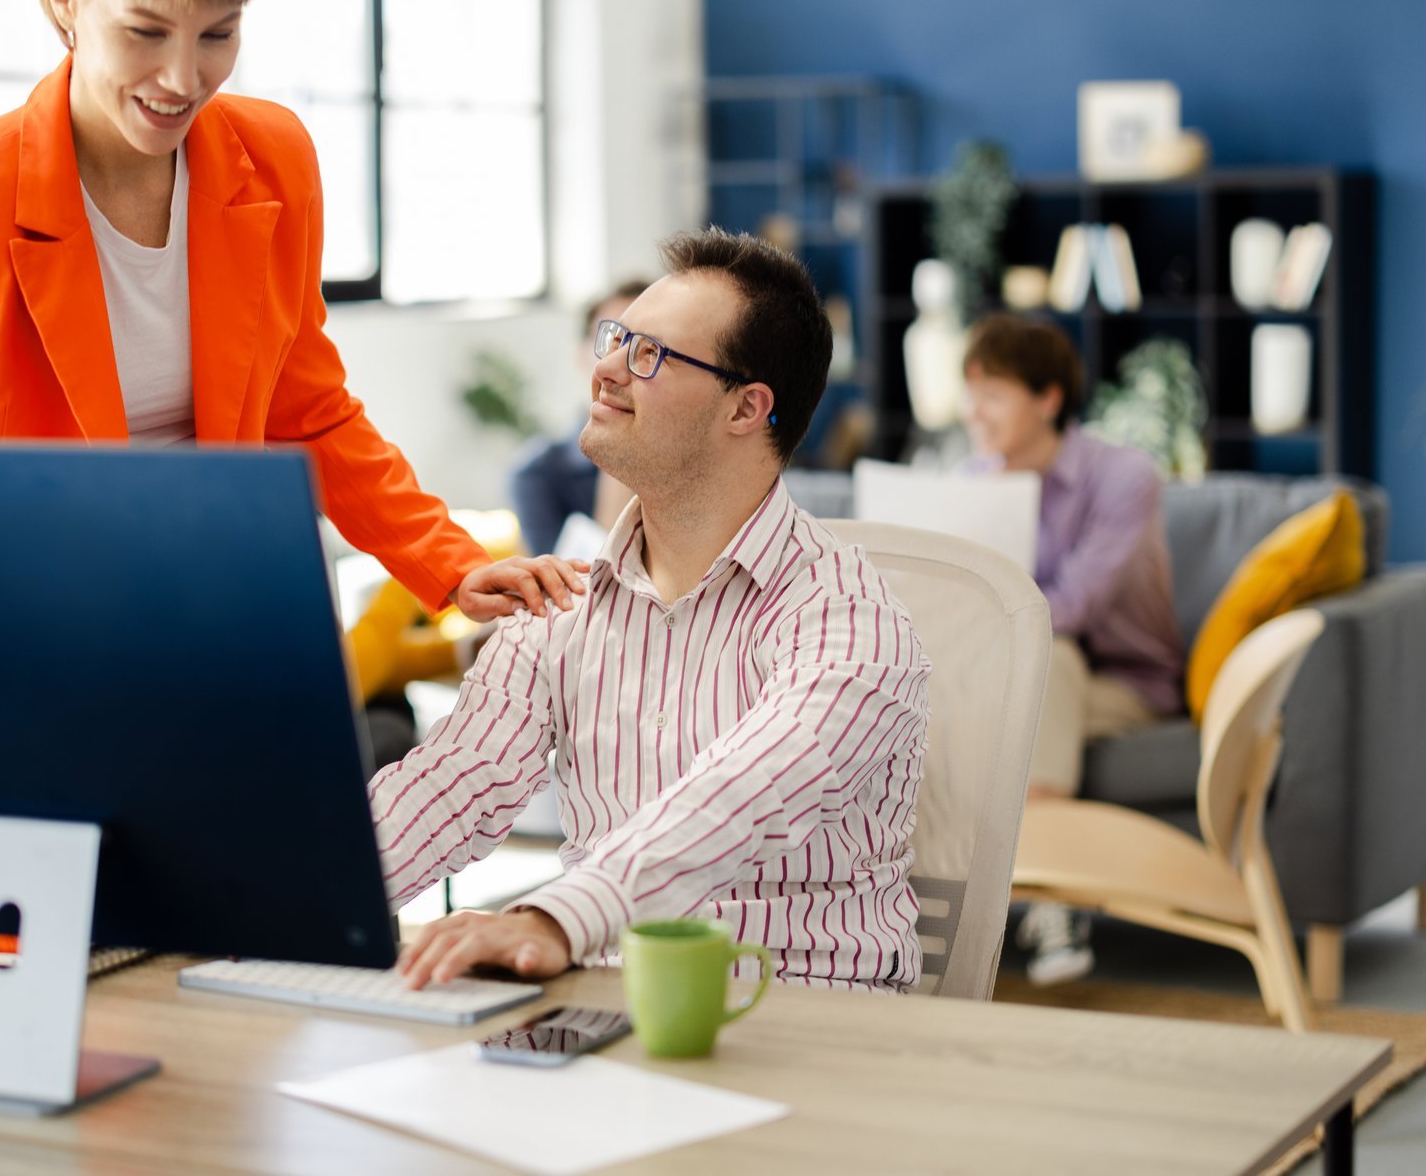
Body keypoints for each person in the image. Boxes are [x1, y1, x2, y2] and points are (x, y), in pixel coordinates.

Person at [0, 0, 576, 622]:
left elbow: (308, 414)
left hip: (220, 595)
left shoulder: (275, 158)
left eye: (218, 34)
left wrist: (452, 562)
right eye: (146, 32)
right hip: (29, 611)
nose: (182, 78)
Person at [371, 229, 933, 993]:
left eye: (649, 355)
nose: (604, 370)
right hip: (598, 1001)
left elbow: (738, 801)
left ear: (746, 408)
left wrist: (550, 918)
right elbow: (454, 784)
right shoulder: (558, 605)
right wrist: (290, 897)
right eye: (616, 340)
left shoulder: (849, 621)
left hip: (804, 1010)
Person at [956, 314, 1184, 985]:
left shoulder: (1124, 478)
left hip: (1127, 681)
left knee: (1050, 655)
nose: (974, 413)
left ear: (1049, 399)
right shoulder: (970, 479)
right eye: (971, 393)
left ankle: (1047, 900)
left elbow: (1073, 606)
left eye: (993, 394)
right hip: (1012, 679)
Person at [509, 281, 649, 557]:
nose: (620, 363)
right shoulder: (538, 473)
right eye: (611, 341)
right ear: (581, 355)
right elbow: (568, 593)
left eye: (647, 348)